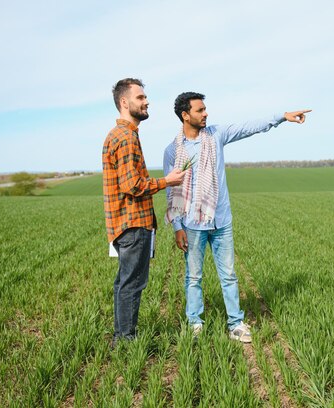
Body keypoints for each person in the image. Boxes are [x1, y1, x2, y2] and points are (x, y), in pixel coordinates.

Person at [163, 91, 310, 343]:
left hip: (221, 220)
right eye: (200, 110)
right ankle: (195, 323)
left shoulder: (216, 135)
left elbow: (248, 127)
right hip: (193, 224)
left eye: (205, 109)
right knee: (193, 277)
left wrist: (282, 117)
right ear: (185, 116)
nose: (206, 113)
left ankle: (235, 323)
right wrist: (177, 226)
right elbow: (172, 191)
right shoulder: (173, 151)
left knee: (229, 274)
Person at [102, 78, 185, 346]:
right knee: (131, 284)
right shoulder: (125, 137)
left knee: (125, 283)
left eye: (145, 97)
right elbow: (131, 185)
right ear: (124, 103)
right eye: (140, 97)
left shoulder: (122, 135)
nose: (146, 101)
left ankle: (122, 336)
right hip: (132, 223)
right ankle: (125, 339)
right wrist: (167, 181)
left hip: (127, 223)